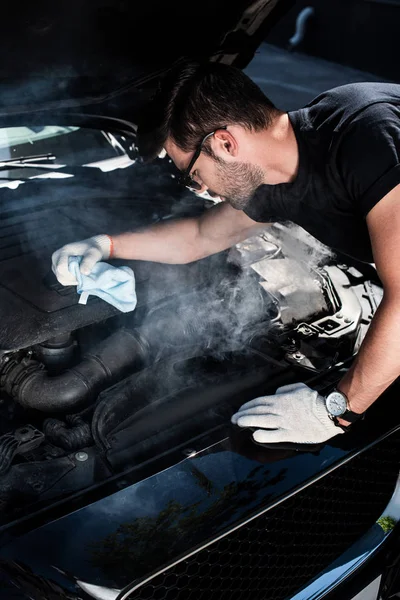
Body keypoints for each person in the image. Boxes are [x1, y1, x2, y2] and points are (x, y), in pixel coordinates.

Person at [52, 62, 400, 446]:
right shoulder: (271, 180)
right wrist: (106, 245)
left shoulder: (366, 133)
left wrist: (338, 410)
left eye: (191, 174)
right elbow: (200, 236)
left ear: (225, 144)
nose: (196, 188)